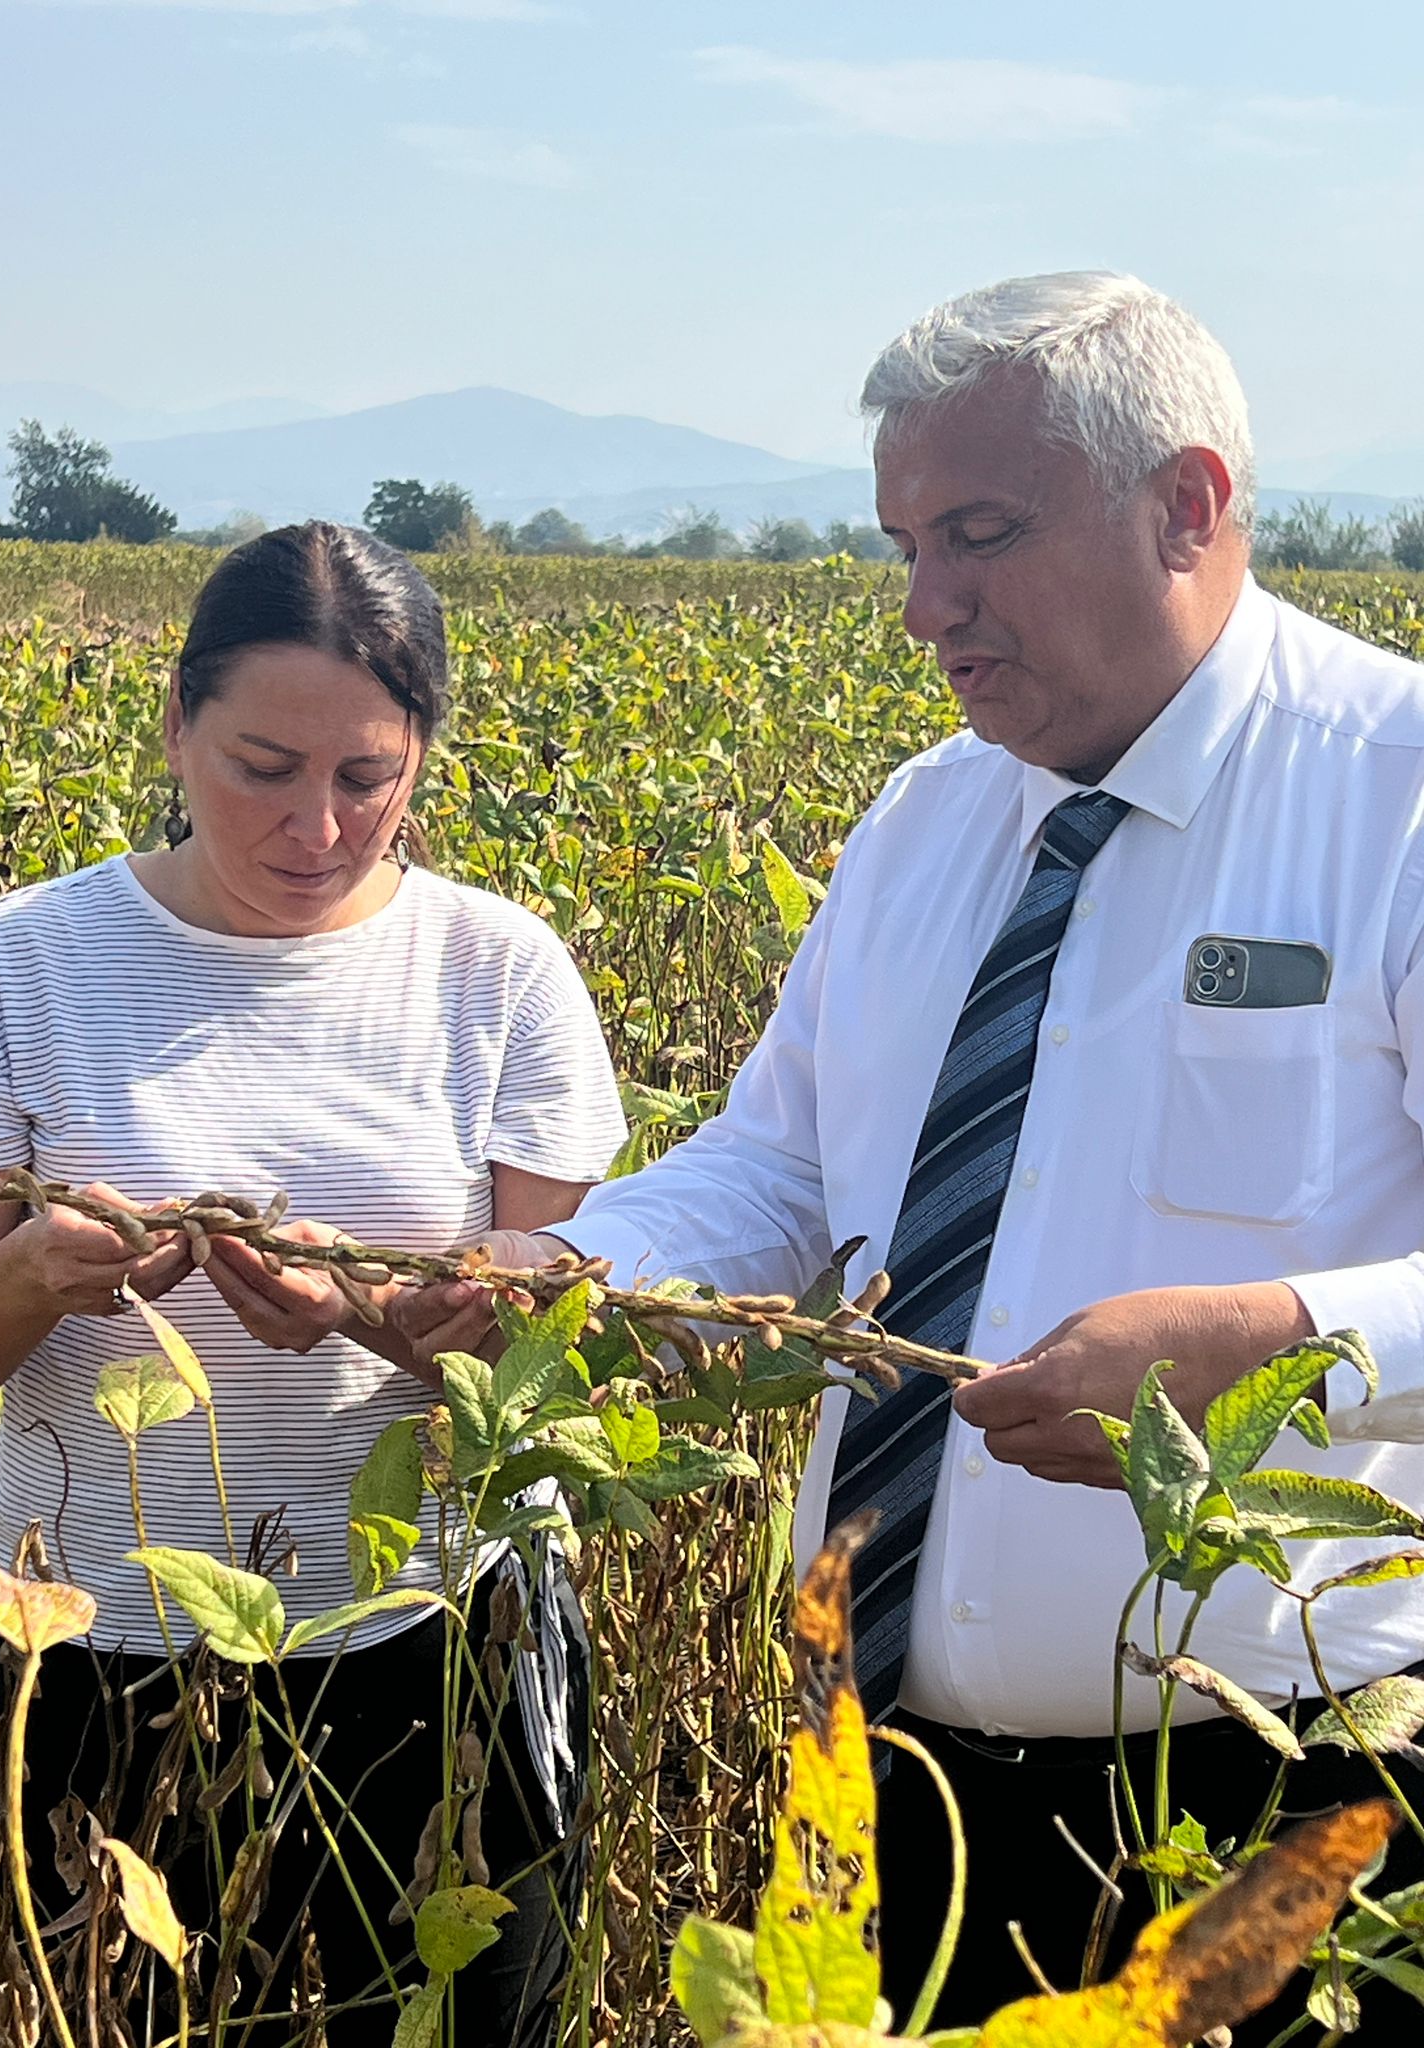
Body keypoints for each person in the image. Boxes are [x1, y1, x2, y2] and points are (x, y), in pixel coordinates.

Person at [406, 275, 1424, 2039]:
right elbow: (781, 1177)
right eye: (902, 544)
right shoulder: (928, 816)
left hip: (1272, 1798)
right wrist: (564, 1280)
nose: (922, 608)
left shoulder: (1392, 795)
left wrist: (1272, 1346)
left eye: (979, 535)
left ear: (1187, 506)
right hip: (866, 1773)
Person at [0, 522, 627, 2045]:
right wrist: (32, 1279)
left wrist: (393, 1323)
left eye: (368, 779)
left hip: (445, 1635)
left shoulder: (500, 972)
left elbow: (577, 1357)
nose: (316, 826)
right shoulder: (17, 966)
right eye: (262, 768)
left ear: (423, 754)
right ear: (175, 724)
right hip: (98, 1646)